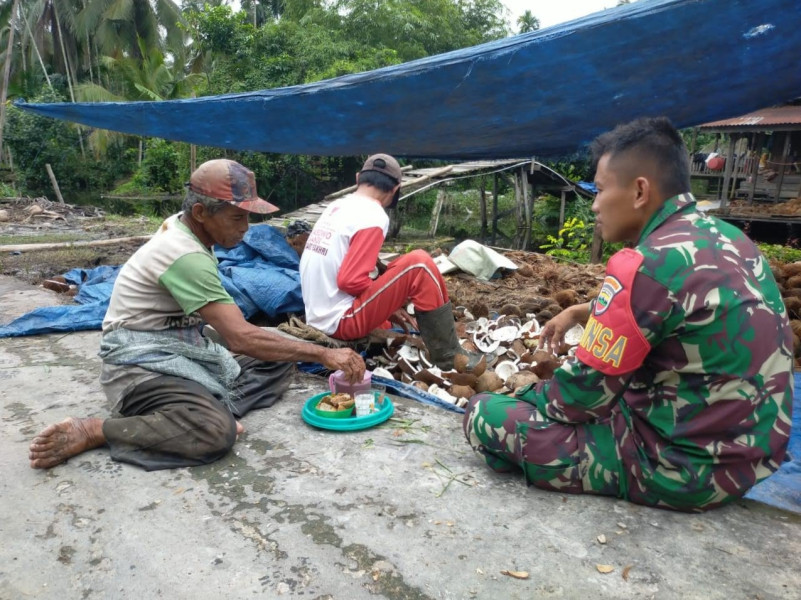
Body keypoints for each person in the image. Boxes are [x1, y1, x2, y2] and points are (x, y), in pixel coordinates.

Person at [463, 117, 793, 512]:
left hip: (679, 470)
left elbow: (575, 401)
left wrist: (527, 393)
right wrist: (586, 310)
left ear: (639, 191)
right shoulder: (732, 238)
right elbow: (678, 308)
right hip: (750, 462)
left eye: (601, 190)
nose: (595, 204)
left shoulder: (643, 264)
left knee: (485, 414)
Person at [29, 159, 365, 471]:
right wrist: (323, 352)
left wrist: (291, 347)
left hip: (177, 349)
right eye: (237, 217)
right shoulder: (184, 254)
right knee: (215, 435)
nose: (247, 228)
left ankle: (200, 409)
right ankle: (98, 430)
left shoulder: (185, 228)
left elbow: (235, 335)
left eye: (248, 217)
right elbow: (240, 337)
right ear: (202, 212)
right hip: (138, 367)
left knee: (279, 359)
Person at [299, 153, 478, 370]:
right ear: (395, 189)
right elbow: (349, 281)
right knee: (420, 264)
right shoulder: (373, 214)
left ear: (358, 179)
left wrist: (388, 302)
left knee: (397, 266)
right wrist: (392, 305)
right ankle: (449, 357)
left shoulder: (337, 206)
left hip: (318, 314)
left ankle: (441, 347)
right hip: (339, 321)